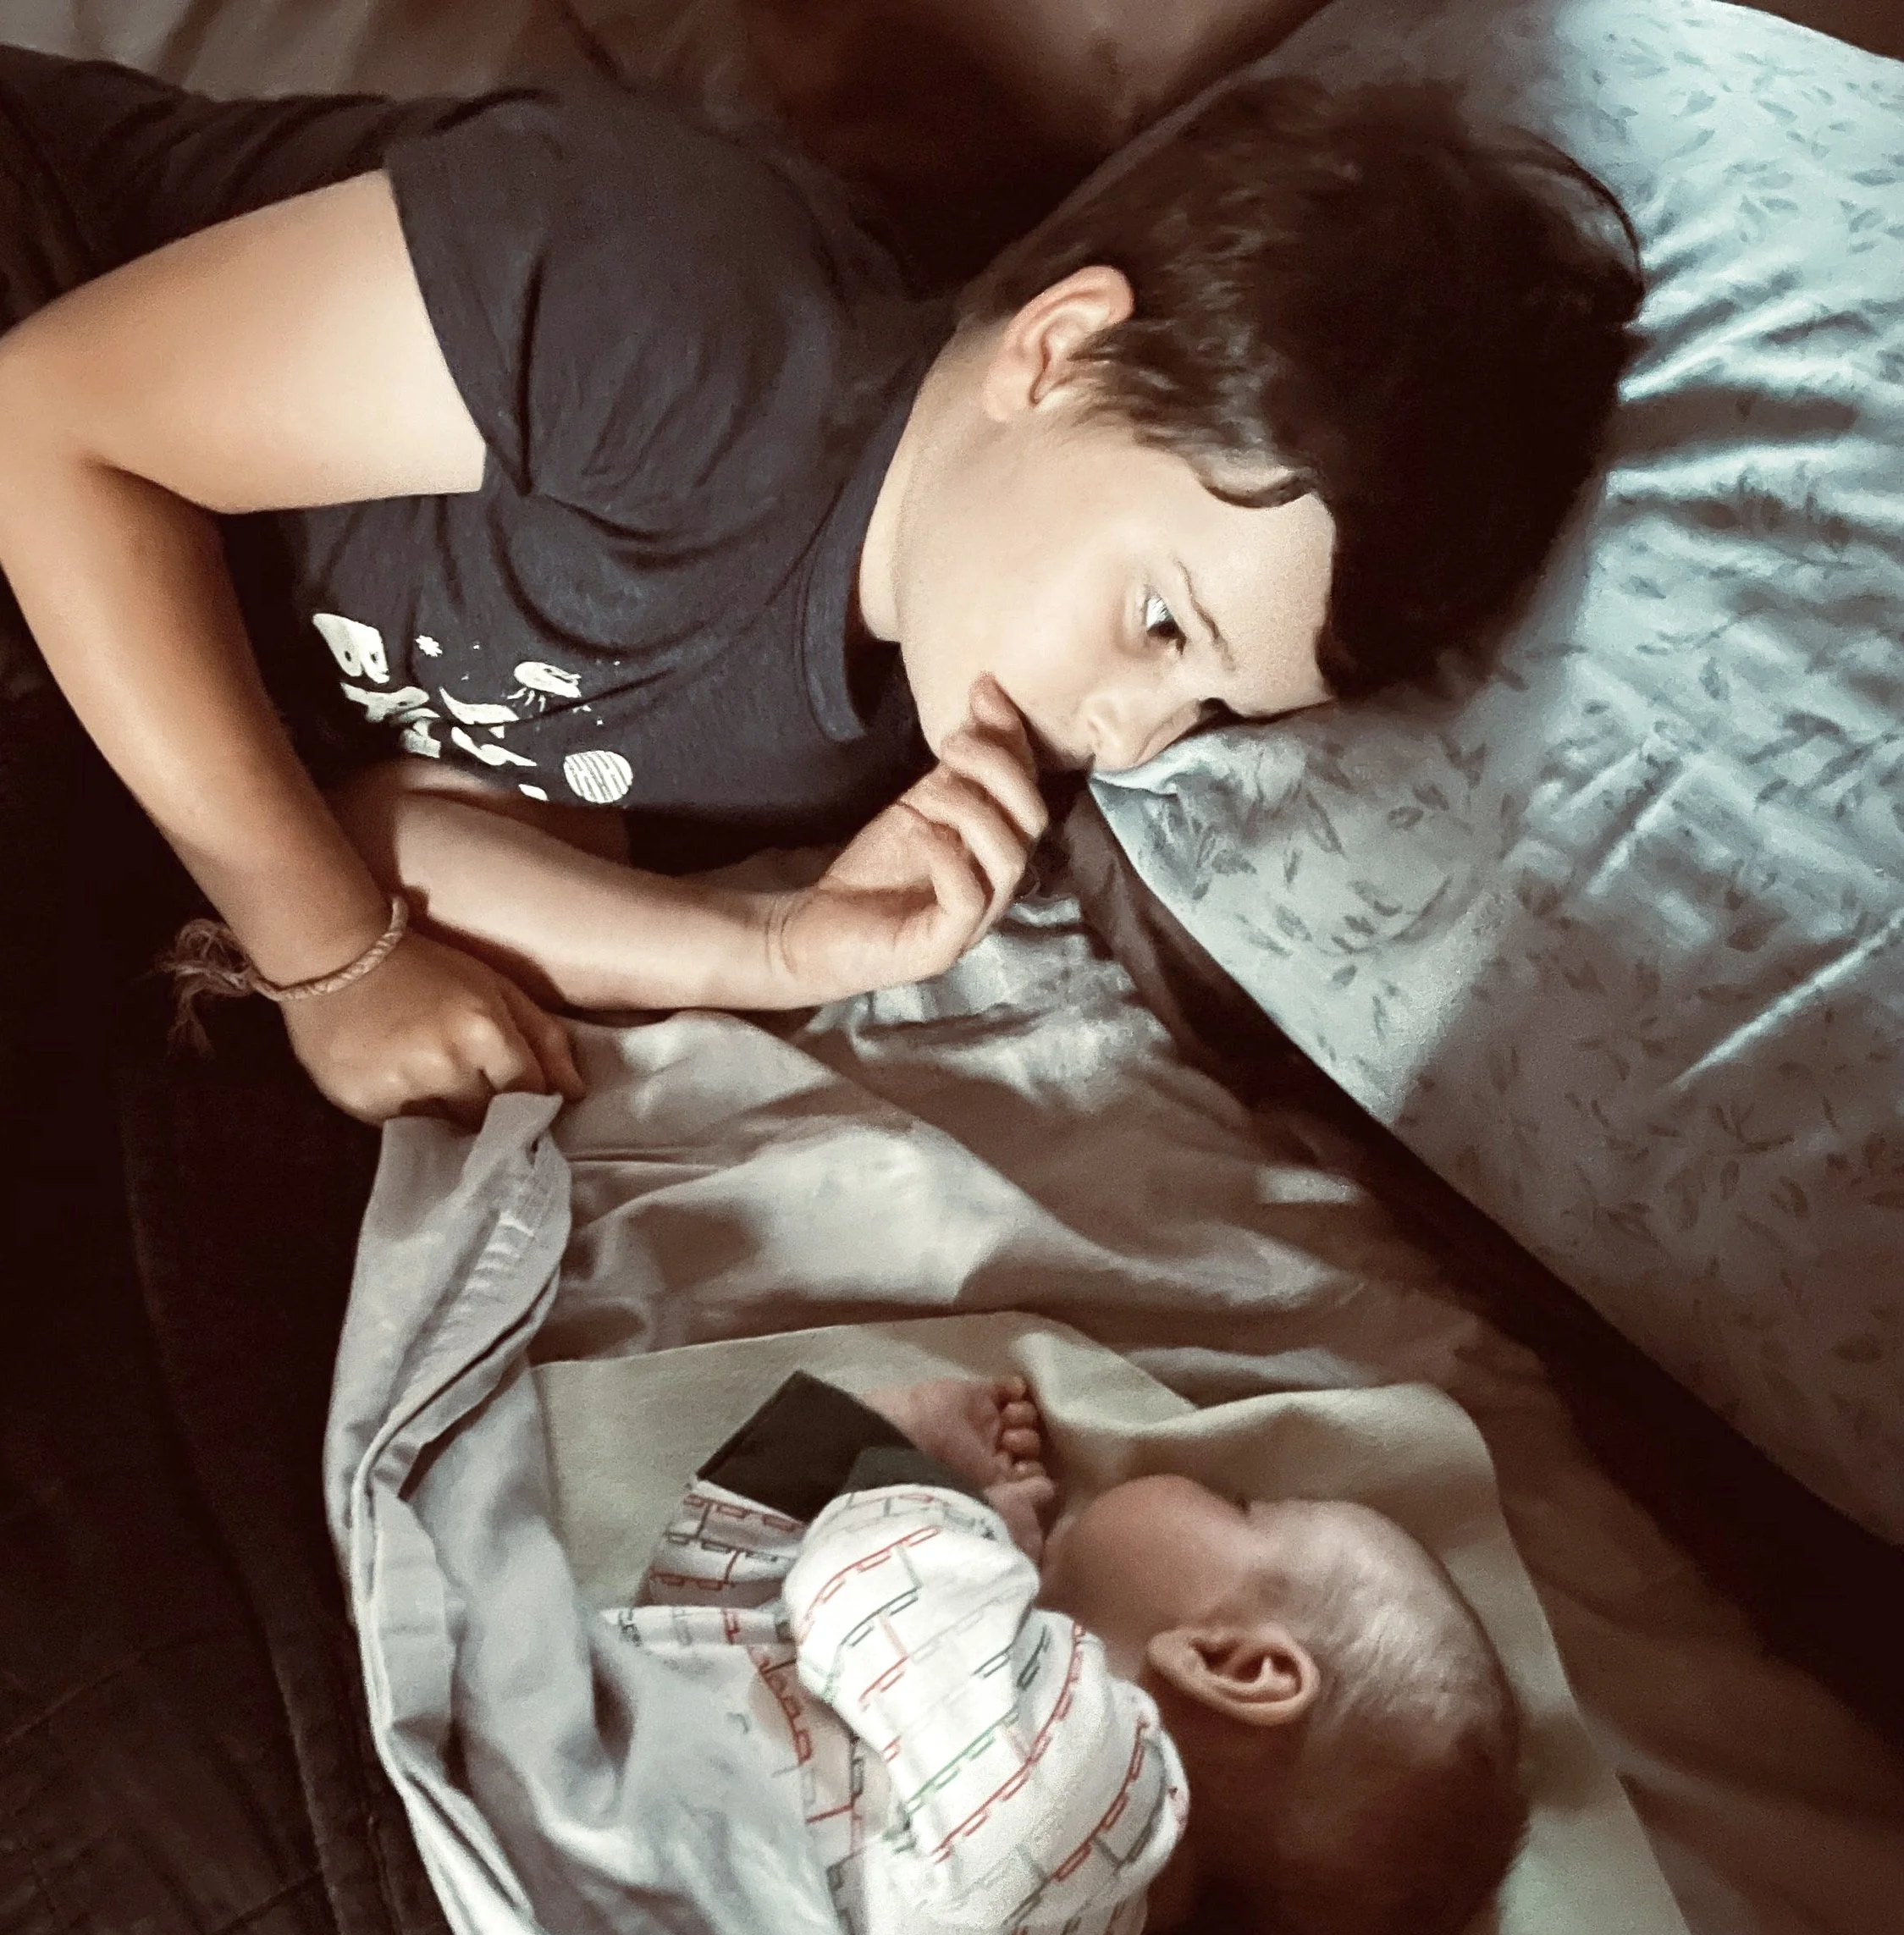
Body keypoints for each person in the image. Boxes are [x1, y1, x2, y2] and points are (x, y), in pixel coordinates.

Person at [0, 43, 1641, 1127]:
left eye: (1207, 708)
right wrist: (327, 965)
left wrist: (776, 946)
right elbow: (46, 429)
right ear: (1060, 350)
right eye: (1159, 624)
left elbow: (372, 822)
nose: (1132, 736)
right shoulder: (675, 302)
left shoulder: (869, 730)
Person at [620, 1369, 1525, 1935]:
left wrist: (941, 1498)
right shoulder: (1047, 1890)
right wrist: (832, 1471)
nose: (1211, 1487)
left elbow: (864, 1598)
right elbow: (696, 1637)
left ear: (1236, 1665)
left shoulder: (1094, 1805)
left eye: (1241, 1506)